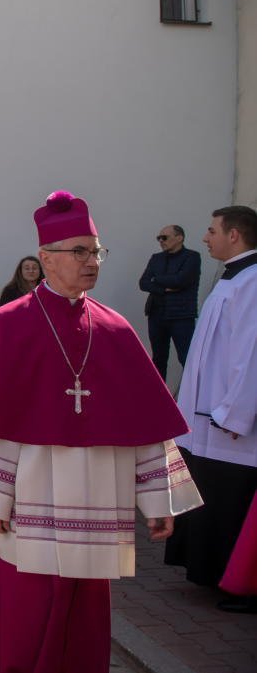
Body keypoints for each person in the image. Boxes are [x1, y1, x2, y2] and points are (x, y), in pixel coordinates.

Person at [0, 190, 200, 673]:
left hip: (101, 494)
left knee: (85, 608)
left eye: (96, 251)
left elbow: (144, 423)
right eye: (79, 251)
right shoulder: (6, 325)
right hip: (32, 492)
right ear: (46, 258)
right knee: (27, 604)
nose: (91, 261)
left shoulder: (117, 329)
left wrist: (159, 499)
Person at [165, 205, 257, 614]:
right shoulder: (234, 277)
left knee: (229, 500)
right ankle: (211, 572)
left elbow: (250, 357)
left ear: (234, 235)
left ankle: (237, 580)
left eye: (211, 230)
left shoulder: (253, 282)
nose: (206, 237)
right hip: (207, 421)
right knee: (207, 495)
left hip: (230, 426)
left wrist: (233, 414)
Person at [138, 224, 201, 381]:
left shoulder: (192, 257)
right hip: (156, 314)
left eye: (164, 237)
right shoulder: (156, 258)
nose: (161, 241)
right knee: (158, 358)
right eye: (159, 238)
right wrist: (165, 288)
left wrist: (157, 280)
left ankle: (192, 400)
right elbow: (143, 283)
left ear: (179, 238)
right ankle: (159, 399)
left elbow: (180, 281)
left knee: (187, 358)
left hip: (181, 315)